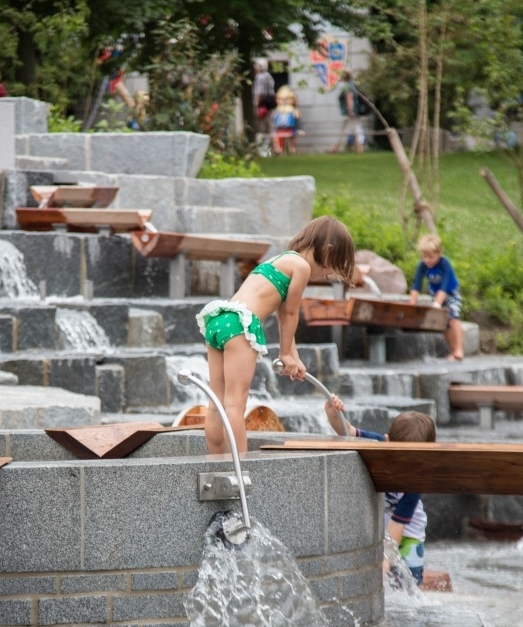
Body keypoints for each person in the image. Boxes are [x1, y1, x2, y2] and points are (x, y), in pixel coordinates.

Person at [196, 216, 357, 457]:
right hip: (241, 324)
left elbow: (283, 317)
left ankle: (215, 460)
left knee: (217, 403)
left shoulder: (282, 259)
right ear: (328, 250)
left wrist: (294, 357)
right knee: (235, 403)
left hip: (220, 319)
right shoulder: (301, 268)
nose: (323, 275)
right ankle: (241, 470)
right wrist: (283, 354)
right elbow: (291, 314)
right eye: (327, 270)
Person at [324, 396, 435, 588]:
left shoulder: (415, 478)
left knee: (408, 585)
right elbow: (347, 431)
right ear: (387, 440)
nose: (404, 465)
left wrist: (386, 559)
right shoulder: (378, 444)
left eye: (411, 459)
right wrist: (334, 414)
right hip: (382, 530)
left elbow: (399, 523)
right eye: (399, 456)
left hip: (410, 536)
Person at [409, 233, 464, 360]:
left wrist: (437, 304)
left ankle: (460, 349)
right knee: (443, 323)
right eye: (424, 257)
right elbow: (416, 285)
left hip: (451, 294)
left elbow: (444, 286)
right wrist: (412, 303)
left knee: (453, 317)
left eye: (431, 257)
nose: (427, 260)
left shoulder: (445, 264)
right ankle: (454, 351)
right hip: (436, 296)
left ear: (439, 253)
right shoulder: (423, 265)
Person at [332, 71, 366, 154]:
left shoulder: (347, 86)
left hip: (349, 113)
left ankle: (335, 148)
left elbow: (349, 99)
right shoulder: (353, 84)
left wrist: (350, 111)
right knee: (358, 130)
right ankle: (360, 148)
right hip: (355, 112)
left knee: (343, 129)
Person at [271, 85, 301, 155]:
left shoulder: (293, 110)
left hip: (290, 129)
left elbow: (297, 121)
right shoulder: (277, 111)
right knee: (279, 139)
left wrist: (298, 129)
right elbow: (273, 121)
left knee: (291, 140)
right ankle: (281, 151)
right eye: (281, 99)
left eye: (288, 99)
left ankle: (292, 150)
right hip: (279, 129)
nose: (284, 101)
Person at [252, 59, 276, 142]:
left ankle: (264, 149)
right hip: (270, 105)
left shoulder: (260, 77)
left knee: (262, 128)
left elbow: (260, 93)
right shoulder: (269, 76)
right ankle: (274, 148)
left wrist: (256, 106)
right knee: (270, 127)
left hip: (262, 106)